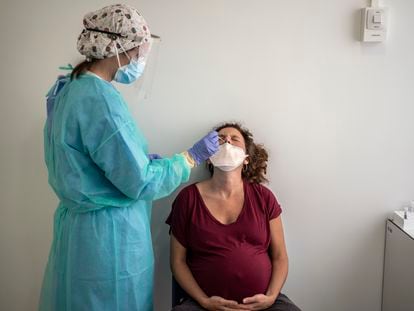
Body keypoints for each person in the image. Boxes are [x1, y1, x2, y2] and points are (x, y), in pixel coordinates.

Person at [39, 4, 219, 311]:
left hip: (79, 233)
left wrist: (137, 159)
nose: (139, 59)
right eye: (138, 50)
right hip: (107, 242)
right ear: (118, 48)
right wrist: (188, 158)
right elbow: (141, 183)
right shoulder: (101, 101)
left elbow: (82, 159)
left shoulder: (69, 88)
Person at [167, 122, 301, 311]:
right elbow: (177, 261)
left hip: (263, 305)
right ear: (208, 157)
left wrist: (271, 297)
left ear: (246, 158)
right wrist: (204, 301)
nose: (227, 141)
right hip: (203, 305)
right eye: (220, 139)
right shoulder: (188, 198)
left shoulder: (264, 197)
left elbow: (280, 257)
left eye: (235, 139)